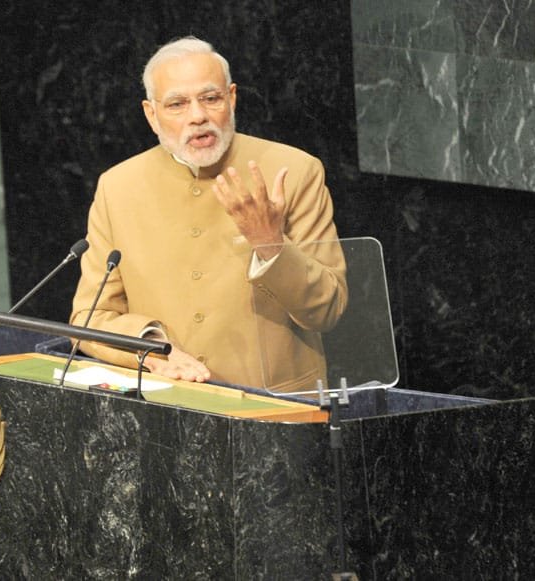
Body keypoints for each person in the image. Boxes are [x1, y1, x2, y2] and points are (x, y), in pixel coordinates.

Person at [70, 36, 347, 392]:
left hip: (277, 410)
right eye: (177, 104)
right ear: (151, 114)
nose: (198, 116)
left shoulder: (295, 171)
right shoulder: (118, 187)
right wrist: (153, 350)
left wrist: (270, 243)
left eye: (211, 98)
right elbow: (91, 318)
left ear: (231, 99)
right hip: (168, 407)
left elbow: (327, 310)